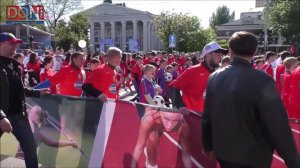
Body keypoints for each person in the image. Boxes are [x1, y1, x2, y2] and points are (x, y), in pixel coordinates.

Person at [202, 31, 300, 168]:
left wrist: (208, 146)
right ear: (254, 52)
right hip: (254, 155)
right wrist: (293, 161)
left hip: (224, 152)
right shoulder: (262, 79)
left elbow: (207, 116)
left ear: (230, 51)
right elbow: (277, 125)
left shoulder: (214, 77)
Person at [0, 32, 48, 168]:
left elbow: (21, 89)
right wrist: (1, 117)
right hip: (2, 115)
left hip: (17, 115)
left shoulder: (16, 65)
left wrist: (38, 92)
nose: (14, 46)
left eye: (16, 44)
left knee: (30, 148)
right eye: (11, 43)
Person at [169, 41, 227, 113]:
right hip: (192, 117)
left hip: (210, 117)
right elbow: (173, 87)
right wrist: (181, 106)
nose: (221, 57)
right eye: (218, 54)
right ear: (208, 55)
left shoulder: (218, 72)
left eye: (221, 55)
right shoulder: (193, 70)